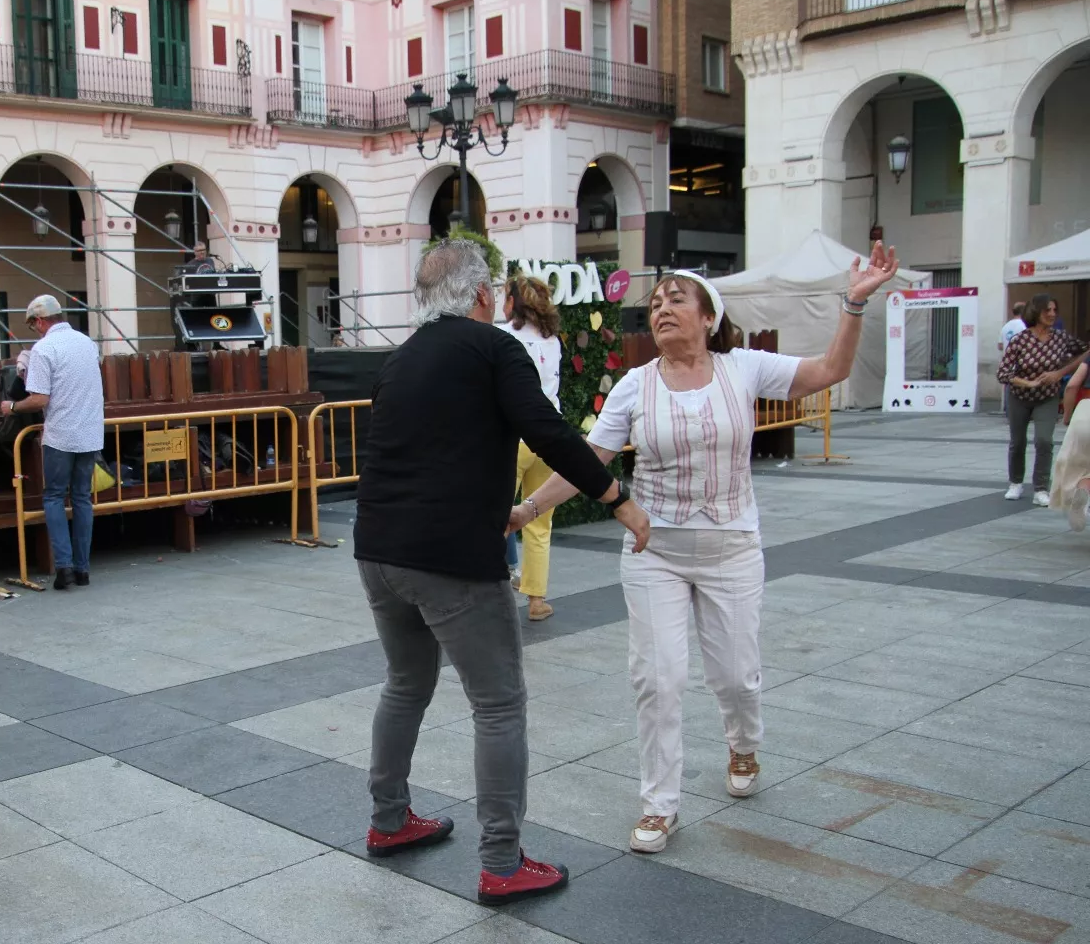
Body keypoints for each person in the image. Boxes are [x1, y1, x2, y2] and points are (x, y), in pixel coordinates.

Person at [511, 245, 901, 855]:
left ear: (708, 317)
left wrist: (854, 302)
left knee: (736, 677)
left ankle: (743, 740)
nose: (662, 308)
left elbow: (830, 371)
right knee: (658, 679)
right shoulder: (635, 387)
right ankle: (659, 804)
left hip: (732, 548)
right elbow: (590, 463)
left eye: (676, 299)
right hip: (653, 551)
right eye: (656, 302)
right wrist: (528, 510)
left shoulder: (743, 369)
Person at [354, 239, 650, 904]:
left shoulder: (399, 361)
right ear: (484, 295)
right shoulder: (494, 350)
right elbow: (548, 431)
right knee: (499, 703)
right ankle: (501, 860)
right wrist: (617, 500)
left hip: (378, 551)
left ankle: (390, 821)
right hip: (452, 558)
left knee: (405, 684)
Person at [12, 295, 105, 589]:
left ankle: (63, 567)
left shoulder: (43, 348)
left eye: (34, 326)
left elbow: (40, 398)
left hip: (61, 435)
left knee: (53, 496)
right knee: (81, 498)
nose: (35, 331)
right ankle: (83, 569)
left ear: (40, 321)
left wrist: (12, 407)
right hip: (90, 433)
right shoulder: (88, 343)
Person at [501, 273, 565, 621]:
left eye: (504, 295)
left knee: (492, 514)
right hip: (549, 435)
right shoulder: (552, 339)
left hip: (513, 437)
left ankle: (487, 591)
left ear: (514, 301)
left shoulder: (504, 336)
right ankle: (536, 600)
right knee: (539, 520)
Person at [997, 294, 1089, 506]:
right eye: (1047, 310)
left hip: (1047, 397)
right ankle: (1015, 482)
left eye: (1054, 310)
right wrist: (1026, 383)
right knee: (1018, 441)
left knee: (1044, 441)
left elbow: (1086, 352)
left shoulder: (1061, 338)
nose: (1052, 314)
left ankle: (1040, 488)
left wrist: (1061, 373)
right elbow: (1003, 373)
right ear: (1035, 311)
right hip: (1019, 397)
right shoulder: (1020, 340)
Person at [1050, 399, 1090, 532]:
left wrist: (1066, 416)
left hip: (1085, 413)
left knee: (1082, 469)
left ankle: (1083, 495)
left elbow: (1072, 386)